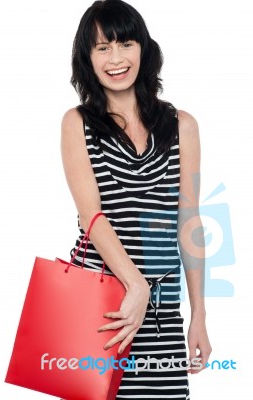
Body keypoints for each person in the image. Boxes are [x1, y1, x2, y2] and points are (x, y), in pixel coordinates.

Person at [61, 0, 212, 398]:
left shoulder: (183, 126)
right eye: (102, 47)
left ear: (143, 49)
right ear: (87, 58)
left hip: (162, 316)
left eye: (125, 43)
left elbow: (189, 222)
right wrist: (135, 285)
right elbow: (90, 215)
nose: (116, 58)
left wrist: (198, 316)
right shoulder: (78, 123)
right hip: (103, 307)